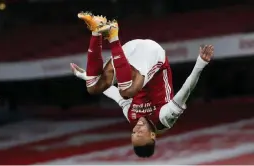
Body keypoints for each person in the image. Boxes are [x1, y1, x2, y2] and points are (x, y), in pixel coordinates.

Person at [71, 12, 214, 157]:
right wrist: (200, 64)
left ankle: (96, 30)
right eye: (140, 133)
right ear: (152, 136)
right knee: (127, 91)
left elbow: (114, 94)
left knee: (93, 86)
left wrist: (82, 75)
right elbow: (185, 92)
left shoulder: (132, 116)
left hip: (129, 53)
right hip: (152, 55)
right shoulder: (164, 119)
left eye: (134, 132)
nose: (137, 127)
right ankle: (113, 35)